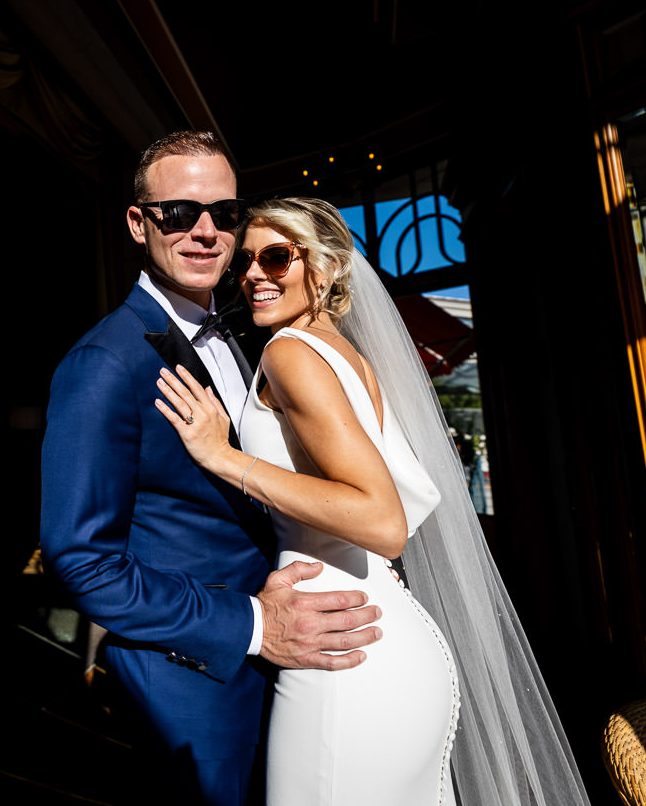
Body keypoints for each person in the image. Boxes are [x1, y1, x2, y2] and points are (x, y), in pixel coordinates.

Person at [155, 197, 591, 805]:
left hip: (345, 659)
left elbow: (383, 523)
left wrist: (223, 456)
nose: (254, 273)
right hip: (379, 635)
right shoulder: (344, 355)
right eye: (247, 260)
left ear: (327, 269)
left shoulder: (290, 354)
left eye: (277, 257)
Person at [40, 135, 382, 806]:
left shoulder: (248, 335)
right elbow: (82, 562)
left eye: (224, 214)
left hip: (288, 667)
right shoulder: (105, 364)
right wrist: (255, 625)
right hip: (189, 690)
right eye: (178, 212)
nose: (205, 231)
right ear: (139, 223)